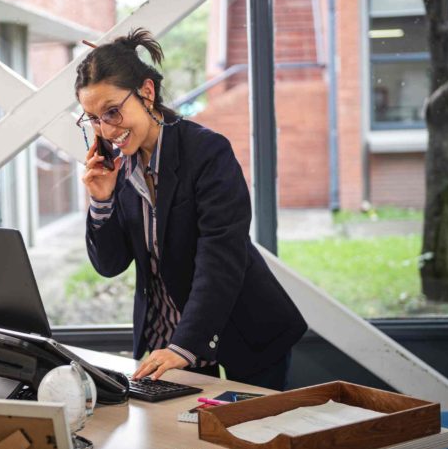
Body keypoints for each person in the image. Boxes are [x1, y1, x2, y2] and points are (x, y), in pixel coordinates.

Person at [75, 28, 307, 391]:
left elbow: (220, 257)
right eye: (92, 118)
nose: (105, 130)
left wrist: (183, 347)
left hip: (238, 333)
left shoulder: (208, 153)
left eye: (113, 112)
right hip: (165, 343)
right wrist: (101, 201)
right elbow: (110, 265)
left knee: (250, 440)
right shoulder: (120, 168)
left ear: (147, 93)